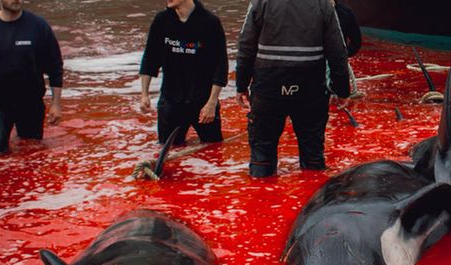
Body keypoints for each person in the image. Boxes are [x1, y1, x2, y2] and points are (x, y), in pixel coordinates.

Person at [235, 0, 351, 178]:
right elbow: (337, 51)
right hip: (310, 89)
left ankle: (262, 200)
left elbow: (245, 47)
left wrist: (241, 86)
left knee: (261, 157)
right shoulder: (324, 5)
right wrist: (342, 90)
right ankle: (313, 199)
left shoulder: (260, 3)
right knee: (313, 159)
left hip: (268, 88)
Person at [0, 0, 63, 154]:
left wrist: (56, 104)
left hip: (31, 102)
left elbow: (54, 66)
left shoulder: (38, 26)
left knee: (31, 150)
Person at [138, 0, 228, 146]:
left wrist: (211, 103)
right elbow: (150, 58)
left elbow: (220, 65)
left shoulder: (210, 22)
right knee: (169, 150)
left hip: (202, 101)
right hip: (170, 100)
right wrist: (144, 94)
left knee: (213, 150)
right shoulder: (162, 20)